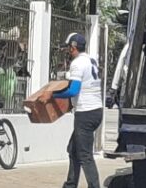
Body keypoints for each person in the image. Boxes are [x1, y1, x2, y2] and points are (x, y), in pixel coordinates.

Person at [38, 33, 103, 188]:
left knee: (85, 155)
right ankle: (70, 184)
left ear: (73, 47)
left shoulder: (77, 63)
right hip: (96, 111)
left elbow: (73, 90)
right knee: (73, 150)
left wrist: (52, 95)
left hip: (85, 113)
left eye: (68, 47)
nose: (67, 50)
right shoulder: (90, 60)